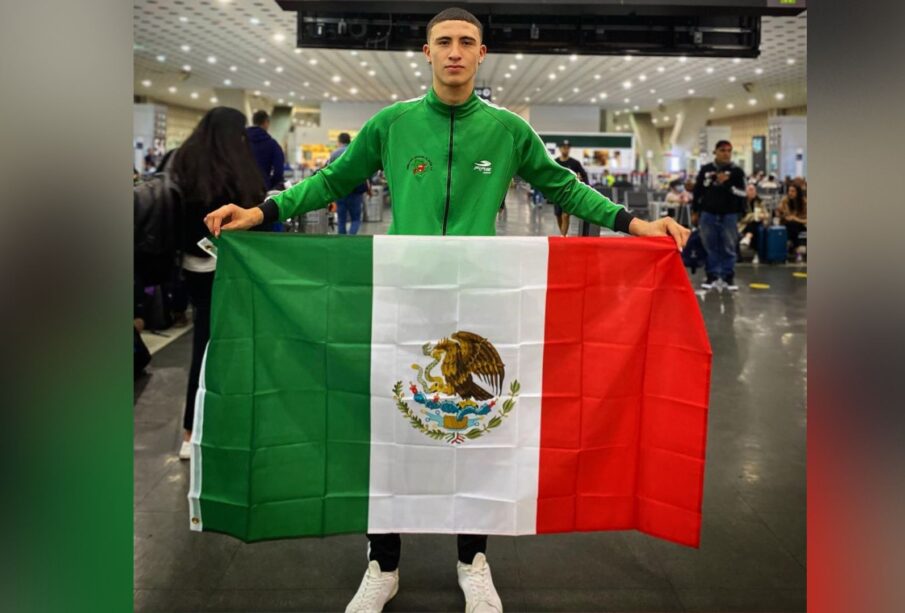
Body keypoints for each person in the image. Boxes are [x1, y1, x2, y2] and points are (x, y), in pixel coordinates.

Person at [203, 8, 689, 612]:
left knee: (476, 429)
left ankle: (472, 560)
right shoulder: (392, 124)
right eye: (444, 43)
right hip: (401, 299)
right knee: (390, 425)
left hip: (482, 297)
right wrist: (263, 211)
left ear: (481, 55)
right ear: (426, 53)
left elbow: (562, 187)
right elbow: (330, 182)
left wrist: (637, 224)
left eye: (466, 43)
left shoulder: (509, 130)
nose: (455, 52)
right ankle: (383, 564)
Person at [170, 107, 266, 460]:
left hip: (192, 267)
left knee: (203, 343)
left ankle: (190, 430)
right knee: (233, 345)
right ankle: (217, 425)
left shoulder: (184, 161)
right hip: (230, 267)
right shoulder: (238, 169)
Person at [691, 139, 747, 291]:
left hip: (729, 215)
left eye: (729, 150)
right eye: (722, 150)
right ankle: (712, 275)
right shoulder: (706, 170)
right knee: (710, 245)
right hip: (708, 214)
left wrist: (727, 184)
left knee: (728, 246)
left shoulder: (737, 171)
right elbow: (698, 192)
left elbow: (743, 193)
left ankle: (728, 277)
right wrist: (695, 211)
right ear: (715, 152)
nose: (726, 153)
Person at [328, 132, 371, 235]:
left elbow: (329, 172)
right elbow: (366, 171)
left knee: (341, 219)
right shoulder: (357, 152)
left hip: (340, 191)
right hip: (356, 190)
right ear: (349, 140)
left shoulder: (334, 154)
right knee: (356, 219)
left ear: (339, 141)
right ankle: (351, 239)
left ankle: (342, 242)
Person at [551, 140, 589, 236]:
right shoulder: (555, 162)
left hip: (570, 194)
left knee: (566, 215)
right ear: (560, 149)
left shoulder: (575, 163)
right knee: (558, 215)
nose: (566, 149)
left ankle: (563, 237)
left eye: (568, 148)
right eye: (564, 147)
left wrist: (582, 183)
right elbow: (551, 177)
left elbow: (584, 175)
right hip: (558, 193)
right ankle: (563, 234)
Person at [246, 110, 285, 191]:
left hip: (240, 188)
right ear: (266, 122)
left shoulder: (240, 141)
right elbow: (278, 171)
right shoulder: (272, 144)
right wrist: (269, 184)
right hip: (261, 188)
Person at [738, 183, 769, 259]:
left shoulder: (759, 201)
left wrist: (762, 216)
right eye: (750, 190)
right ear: (746, 191)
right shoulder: (742, 202)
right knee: (754, 223)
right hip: (744, 225)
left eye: (753, 190)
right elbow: (742, 218)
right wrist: (755, 215)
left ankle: (748, 237)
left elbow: (766, 214)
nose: (752, 192)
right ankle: (756, 253)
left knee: (756, 223)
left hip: (758, 224)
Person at [776, 182, 807, 257]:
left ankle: (791, 245)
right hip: (786, 224)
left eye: (793, 191)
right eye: (789, 191)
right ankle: (797, 248)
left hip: (801, 223)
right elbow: (778, 213)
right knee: (791, 225)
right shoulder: (785, 200)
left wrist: (795, 219)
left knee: (793, 224)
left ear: (798, 192)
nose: (790, 193)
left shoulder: (804, 202)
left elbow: (807, 219)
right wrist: (781, 214)